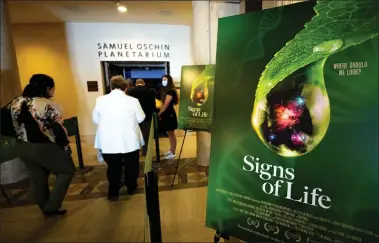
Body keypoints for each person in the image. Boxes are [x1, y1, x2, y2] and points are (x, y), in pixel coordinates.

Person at [8, 74, 76, 217]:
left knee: (37, 176)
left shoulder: (15, 102)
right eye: (52, 88)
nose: (53, 91)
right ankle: (52, 206)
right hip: (43, 146)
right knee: (67, 170)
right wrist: (65, 146)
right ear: (47, 88)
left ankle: (44, 206)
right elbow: (58, 128)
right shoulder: (47, 104)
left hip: (21, 146)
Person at [93, 75, 145, 201]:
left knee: (113, 167)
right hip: (129, 140)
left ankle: (113, 192)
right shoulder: (133, 101)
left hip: (109, 141)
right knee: (131, 166)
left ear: (111, 87)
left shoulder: (100, 100)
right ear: (125, 87)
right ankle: (131, 187)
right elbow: (141, 118)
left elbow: (95, 119)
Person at [127, 78, 156, 156]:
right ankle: (145, 151)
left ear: (136, 84)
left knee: (134, 134)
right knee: (146, 135)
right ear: (144, 84)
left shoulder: (130, 91)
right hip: (147, 116)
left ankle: (135, 150)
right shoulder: (150, 91)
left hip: (134, 117)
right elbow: (153, 105)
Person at [157, 75, 178, 160]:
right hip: (167, 114)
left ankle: (173, 152)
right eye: (162, 79)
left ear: (169, 81)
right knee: (169, 134)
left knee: (172, 134)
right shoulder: (167, 90)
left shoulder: (170, 91)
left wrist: (159, 113)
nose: (163, 81)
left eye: (165, 79)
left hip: (169, 114)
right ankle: (171, 150)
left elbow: (166, 104)